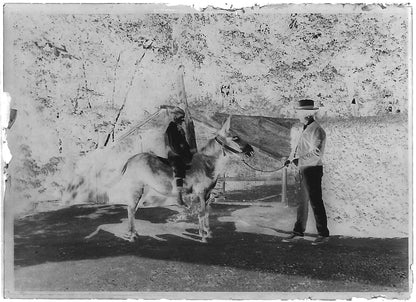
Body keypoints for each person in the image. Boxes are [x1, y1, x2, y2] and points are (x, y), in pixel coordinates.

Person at [283, 99, 330, 245]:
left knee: (316, 201)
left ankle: (323, 234)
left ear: (307, 114)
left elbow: (317, 153)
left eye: (299, 112)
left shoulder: (317, 130)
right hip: (304, 169)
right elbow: (299, 149)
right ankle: (298, 232)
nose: (297, 115)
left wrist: (300, 161)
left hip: (313, 170)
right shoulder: (305, 128)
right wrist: (291, 160)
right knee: (302, 202)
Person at [165, 107, 193, 207]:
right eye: (181, 117)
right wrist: (183, 155)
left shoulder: (179, 128)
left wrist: (190, 152)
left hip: (182, 153)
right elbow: (173, 145)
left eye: (183, 117)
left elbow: (184, 143)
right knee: (179, 168)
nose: (182, 119)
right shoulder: (171, 128)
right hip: (174, 154)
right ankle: (179, 198)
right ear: (175, 116)